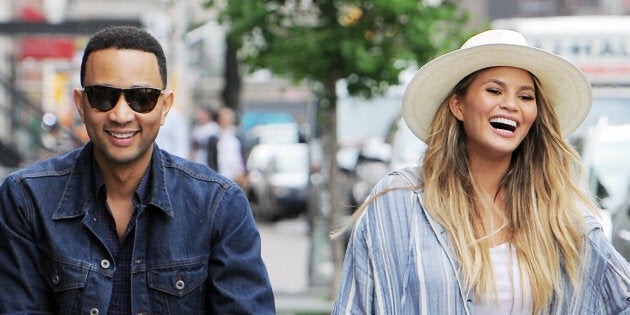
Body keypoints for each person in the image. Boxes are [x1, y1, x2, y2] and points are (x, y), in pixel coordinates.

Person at [332, 29, 630, 314]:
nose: (511, 104)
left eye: (526, 97)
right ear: (458, 106)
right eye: (494, 90)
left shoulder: (559, 215)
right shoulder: (399, 202)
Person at [0, 25, 274, 314]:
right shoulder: (26, 199)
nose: (121, 114)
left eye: (142, 97)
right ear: (81, 104)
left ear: (165, 106)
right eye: (102, 96)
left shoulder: (218, 204)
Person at [207, 106, 248, 187]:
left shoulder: (237, 136)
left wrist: (244, 173)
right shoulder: (214, 137)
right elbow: (211, 159)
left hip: (237, 176)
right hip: (220, 176)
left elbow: (242, 156)